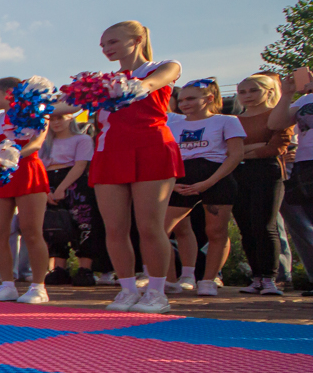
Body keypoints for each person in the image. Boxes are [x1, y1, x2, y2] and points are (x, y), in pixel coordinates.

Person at [60, 20, 183, 314]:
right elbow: (65, 106)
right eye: (103, 45)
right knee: (114, 228)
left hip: (151, 148)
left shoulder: (163, 66)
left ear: (137, 39)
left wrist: (134, 87)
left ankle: (156, 293)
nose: (106, 49)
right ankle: (127, 290)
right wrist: (30, 107)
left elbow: (152, 84)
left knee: (150, 226)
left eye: (112, 42)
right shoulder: (102, 82)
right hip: (109, 152)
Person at [0, 78, 51, 304]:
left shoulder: (36, 113)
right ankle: (7, 285)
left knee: (31, 231)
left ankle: (38, 286)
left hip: (28, 171)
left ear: (9, 93)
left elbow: (35, 144)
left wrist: (10, 156)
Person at [161, 79, 245, 296]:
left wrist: (209, 182)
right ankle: (169, 280)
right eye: (181, 100)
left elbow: (236, 155)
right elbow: (164, 155)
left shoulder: (227, 120)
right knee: (159, 229)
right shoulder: (171, 123)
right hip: (180, 179)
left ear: (209, 99)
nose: (184, 104)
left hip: (216, 177)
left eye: (191, 99)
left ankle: (208, 280)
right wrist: (172, 184)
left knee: (216, 231)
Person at [233, 74, 292, 293]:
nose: (247, 96)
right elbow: (226, 150)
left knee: (265, 224)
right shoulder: (233, 120)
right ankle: (256, 277)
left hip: (268, 172)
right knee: (245, 226)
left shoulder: (277, 116)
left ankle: (270, 278)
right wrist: (252, 147)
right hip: (237, 173)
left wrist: (241, 152)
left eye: (253, 91)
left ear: (268, 91)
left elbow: (275, 148)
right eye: (243, 92)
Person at [41, 112, 111, 286]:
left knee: (84, 223)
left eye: (60, 117)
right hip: (48, 180)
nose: (56, 122)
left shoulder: (82, 139)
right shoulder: (44, 142)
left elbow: (80, 165)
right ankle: (59, 267)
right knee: (54, 224)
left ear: (70, 118)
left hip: (75, 181)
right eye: (52, 118)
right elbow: (39, 166)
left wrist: (62, 188)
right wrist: (45, 189)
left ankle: (85, 268)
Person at [269, 72, 313, 293]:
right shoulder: (305, 99)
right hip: (305, 165)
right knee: (301, 227)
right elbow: (276, 123)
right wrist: (286, 95)